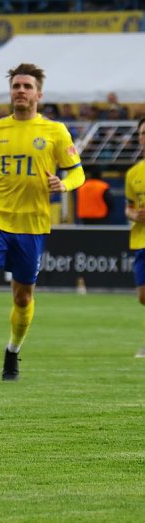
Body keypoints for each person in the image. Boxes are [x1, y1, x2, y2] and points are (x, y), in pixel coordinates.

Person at [0, 63, 85, 382]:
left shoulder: (55, 131)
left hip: (32, 226)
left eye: (26, 86)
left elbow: (77, 171)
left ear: (39, 94)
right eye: (16, 86)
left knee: (23, 297)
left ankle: (12, 351)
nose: (20, 90)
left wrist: (64, 185)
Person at [125, 117, 145, 357]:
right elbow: (128, 207)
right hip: (141, 239)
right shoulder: (134, 173)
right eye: (142, 133)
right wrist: (134, 215)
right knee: (143, 297)